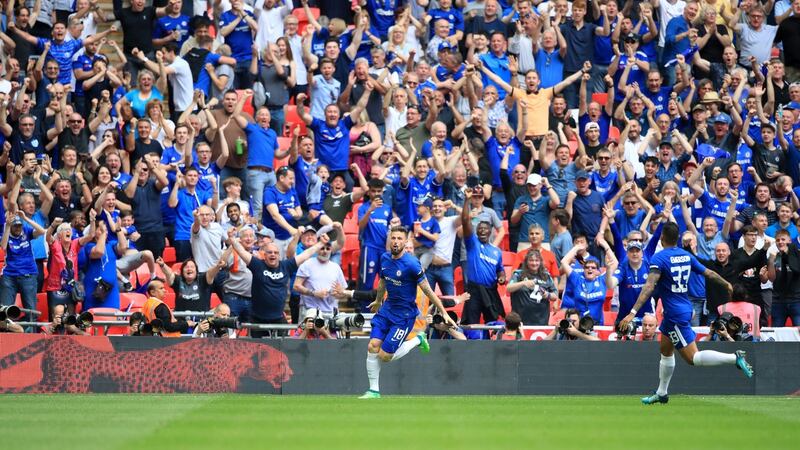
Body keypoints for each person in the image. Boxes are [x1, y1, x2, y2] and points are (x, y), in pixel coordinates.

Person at [618, 222, 754, 405]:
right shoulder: (685, 255)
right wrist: (726, 284)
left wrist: (632, 312)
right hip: (681, 308)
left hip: (675, 314)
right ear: (677, 238)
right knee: (665, 351)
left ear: (662, 238)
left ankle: (734, 358)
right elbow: (709, 273)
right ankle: (661, 393)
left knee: (693, 358)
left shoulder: (659, 258)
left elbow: (649, 285)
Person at [359, 226, 455, 399]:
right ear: (390, 240)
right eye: (393, 238)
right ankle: (373, 391)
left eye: (399, 239)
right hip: (387, 310)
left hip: (404, 316)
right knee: (372, 346)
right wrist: (378, 300)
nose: (396, 242)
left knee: (385, 356)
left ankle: (418, 339)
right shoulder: (385, 258)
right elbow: (383, 281)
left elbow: (428, 291)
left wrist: (443, 312)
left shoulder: (411, 264)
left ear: (405, 241)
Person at [460, 189, 506, 326]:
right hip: (474, 291)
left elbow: (500, 269)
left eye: (486, 229)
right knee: (471, 324)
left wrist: (502, 276)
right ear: (476, 231)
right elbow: (464, 220)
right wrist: (467, 201)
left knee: (492, 323)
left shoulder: (496, 251)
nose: (483, 230)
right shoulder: (472, 243)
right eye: (480, 229)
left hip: (490, 290)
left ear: (491, 231)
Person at [507, 249, 558, 325]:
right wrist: (523, 283)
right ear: (526, 262)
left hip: (541, 320)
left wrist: (547, 295)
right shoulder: (518, 274)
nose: (534, 263)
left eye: (537, 260)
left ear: (540, 262)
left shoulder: (546, 275)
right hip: (520, 321)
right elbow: (508, 288)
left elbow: (555, 296)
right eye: (531, 260)